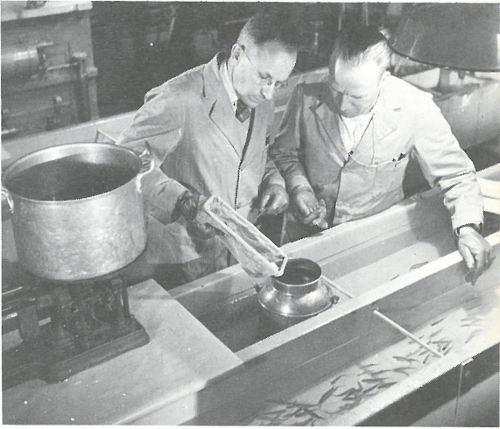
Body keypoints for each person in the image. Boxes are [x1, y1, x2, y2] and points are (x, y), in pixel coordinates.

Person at [271, 26, 493, 280]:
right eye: (335, 88)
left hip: (370, 242)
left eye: (357, 96)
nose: (342, 104)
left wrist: (467, 229)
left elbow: (456, 174)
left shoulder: (415, 106)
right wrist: (300, 188)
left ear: (383, 79)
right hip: (304, 238)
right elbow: (283, 153)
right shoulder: (305, 95)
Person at [117, 8, 300, 287]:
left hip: (235, 255)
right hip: (183, 258)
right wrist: (185, 202)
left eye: (279, 83)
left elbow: (255, 155)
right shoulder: (179, 98)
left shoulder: (261, 101)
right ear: (237, 54)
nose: (269, 92)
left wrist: (275, 183)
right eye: (264, 77)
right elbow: (125, 165)